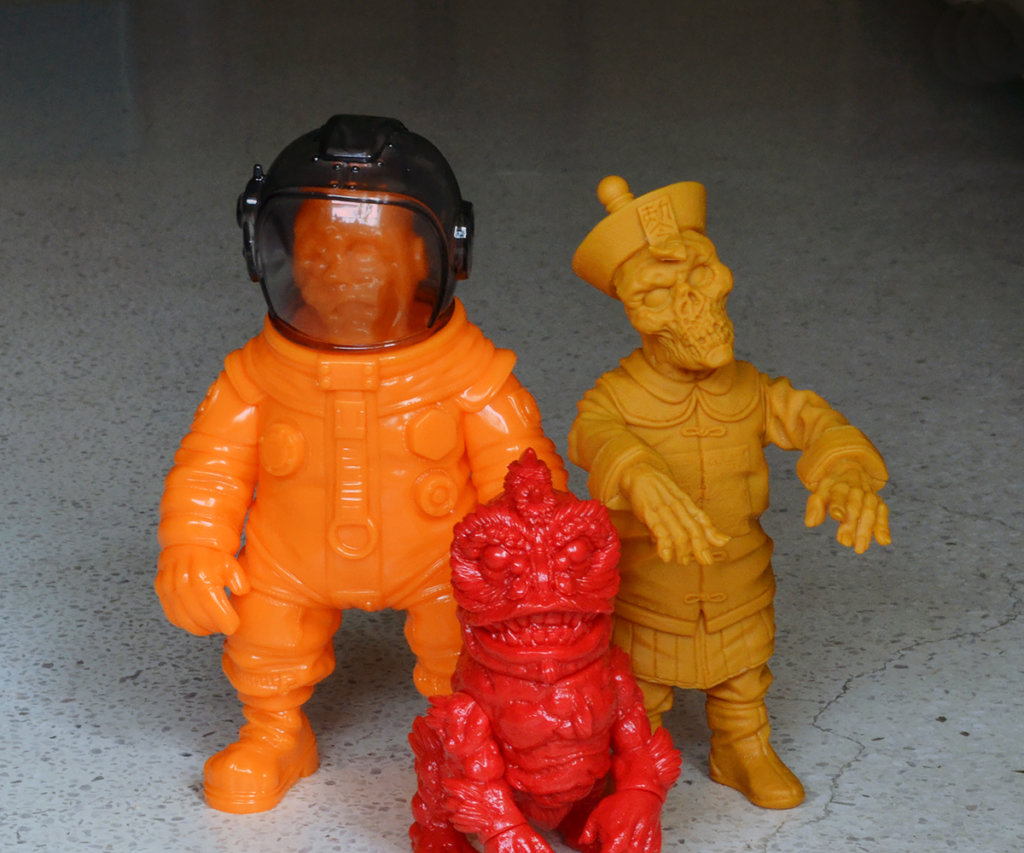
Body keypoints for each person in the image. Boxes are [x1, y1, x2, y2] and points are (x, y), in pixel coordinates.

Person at [155, 116, 566, 813]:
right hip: (291, 557)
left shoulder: (467, 375)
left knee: (467, 637)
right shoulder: (259, 376)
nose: (337, 272)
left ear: (426, 256)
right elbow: (211, 468)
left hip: (439, 557)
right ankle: (274, 730)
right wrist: (193, 544)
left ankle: (473, 739)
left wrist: (527, 561)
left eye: (363, 251)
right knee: (264, 633)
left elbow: (522, 473)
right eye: (316, 255)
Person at [569, 175, 890, 809]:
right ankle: (632, 763)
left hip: (738, 580)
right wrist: (637, 471)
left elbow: (815, 422)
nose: (695, 306)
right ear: (636, 313)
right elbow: (592, 435)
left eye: (702, 278)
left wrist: (845, 469)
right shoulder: (617, 397)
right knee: (640, 688)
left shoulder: (752, 389)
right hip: (649, 589)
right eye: (664, 294)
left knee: (743, 678)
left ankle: (742, 747)